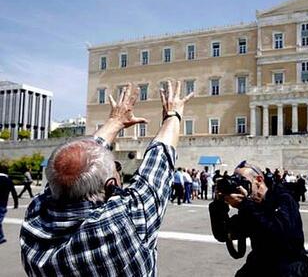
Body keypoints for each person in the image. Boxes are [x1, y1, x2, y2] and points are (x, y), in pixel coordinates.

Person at [20, 81, 193, 276]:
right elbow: (159, 161)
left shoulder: (35, 219)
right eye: (116, 168)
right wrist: (173, 114)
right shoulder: (124, 222)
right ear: (111, 185)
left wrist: (115, 120)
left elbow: (74, 163)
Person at [217, 161, 308, 276]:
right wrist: (218, 205)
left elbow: (280, 233)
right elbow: (224, 234)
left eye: (243, 181)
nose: (239, 187)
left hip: (288, 266)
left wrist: (246, 205)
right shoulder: (251, 204)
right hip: (260, 262)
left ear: (259, 180)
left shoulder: (283, 198)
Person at [0, 168, 18, 244]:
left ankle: (1, 237)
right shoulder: (8, 180)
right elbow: (14, 192)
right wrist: (16, 203)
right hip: (3, 204)